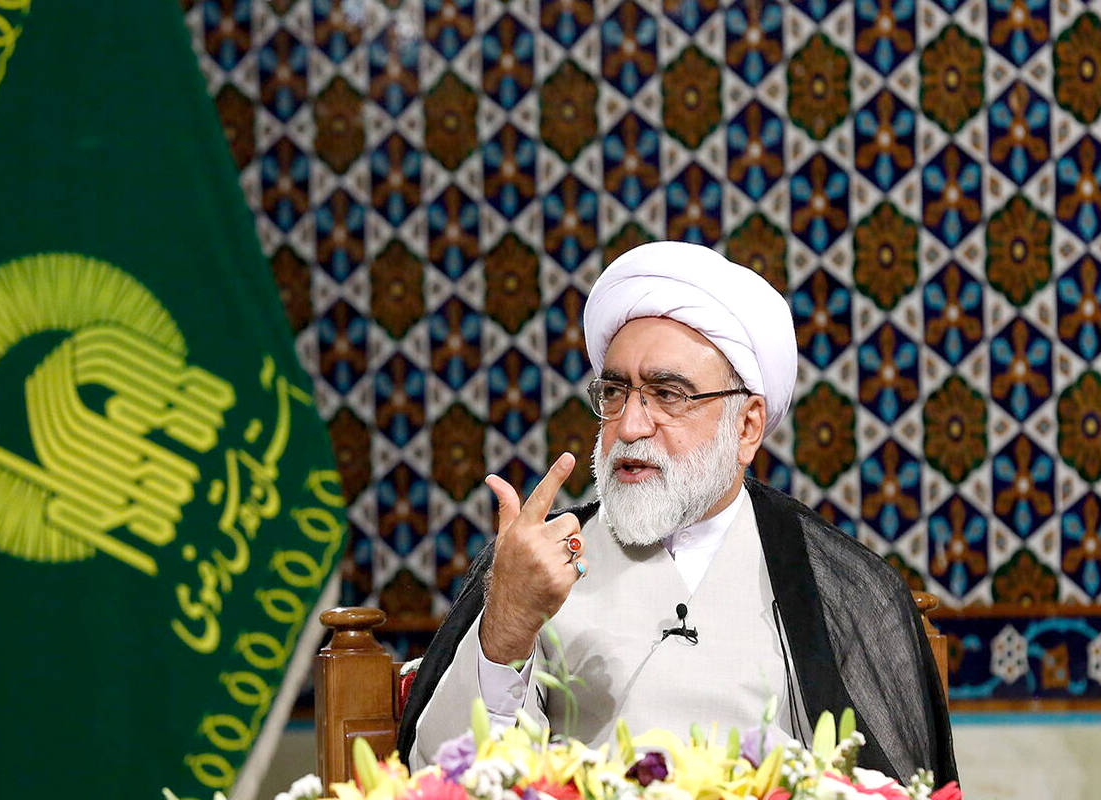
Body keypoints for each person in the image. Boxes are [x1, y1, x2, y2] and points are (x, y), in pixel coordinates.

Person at [398, 242, 956, 785]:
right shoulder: (540, 563)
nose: (630, 425)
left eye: (667, 394)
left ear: (747, 426)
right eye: (614, 392)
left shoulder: (834, 585)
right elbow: (443, 780)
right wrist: (507, 627)